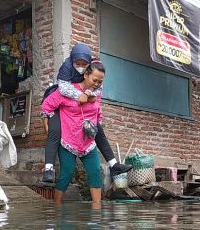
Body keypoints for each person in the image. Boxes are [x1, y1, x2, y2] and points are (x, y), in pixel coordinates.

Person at [41, 43, 132, 184]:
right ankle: (48, 169)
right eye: (78, 63)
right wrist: (81, 96)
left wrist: (89, 94)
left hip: (80, 102)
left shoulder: (94, 72)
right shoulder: (66, 67)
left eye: (85, 63)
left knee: (99, 130)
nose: (81, 66)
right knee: (54, 131)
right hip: (56, 105)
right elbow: (62, 90)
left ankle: (114, 165)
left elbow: (97, 94)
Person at [42, 61, 108, 204]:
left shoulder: (97, 94)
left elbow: (98, 111)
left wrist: (98, 122)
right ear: (85, 75)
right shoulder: (67, 91)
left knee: (95, 172)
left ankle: (97, 211)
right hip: (69, 141)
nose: (97, 84)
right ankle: (57, 206)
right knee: (67, 174)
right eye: (94, 80)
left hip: (88, 142)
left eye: (100, 81)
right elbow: (47, 105)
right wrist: (47, 121)